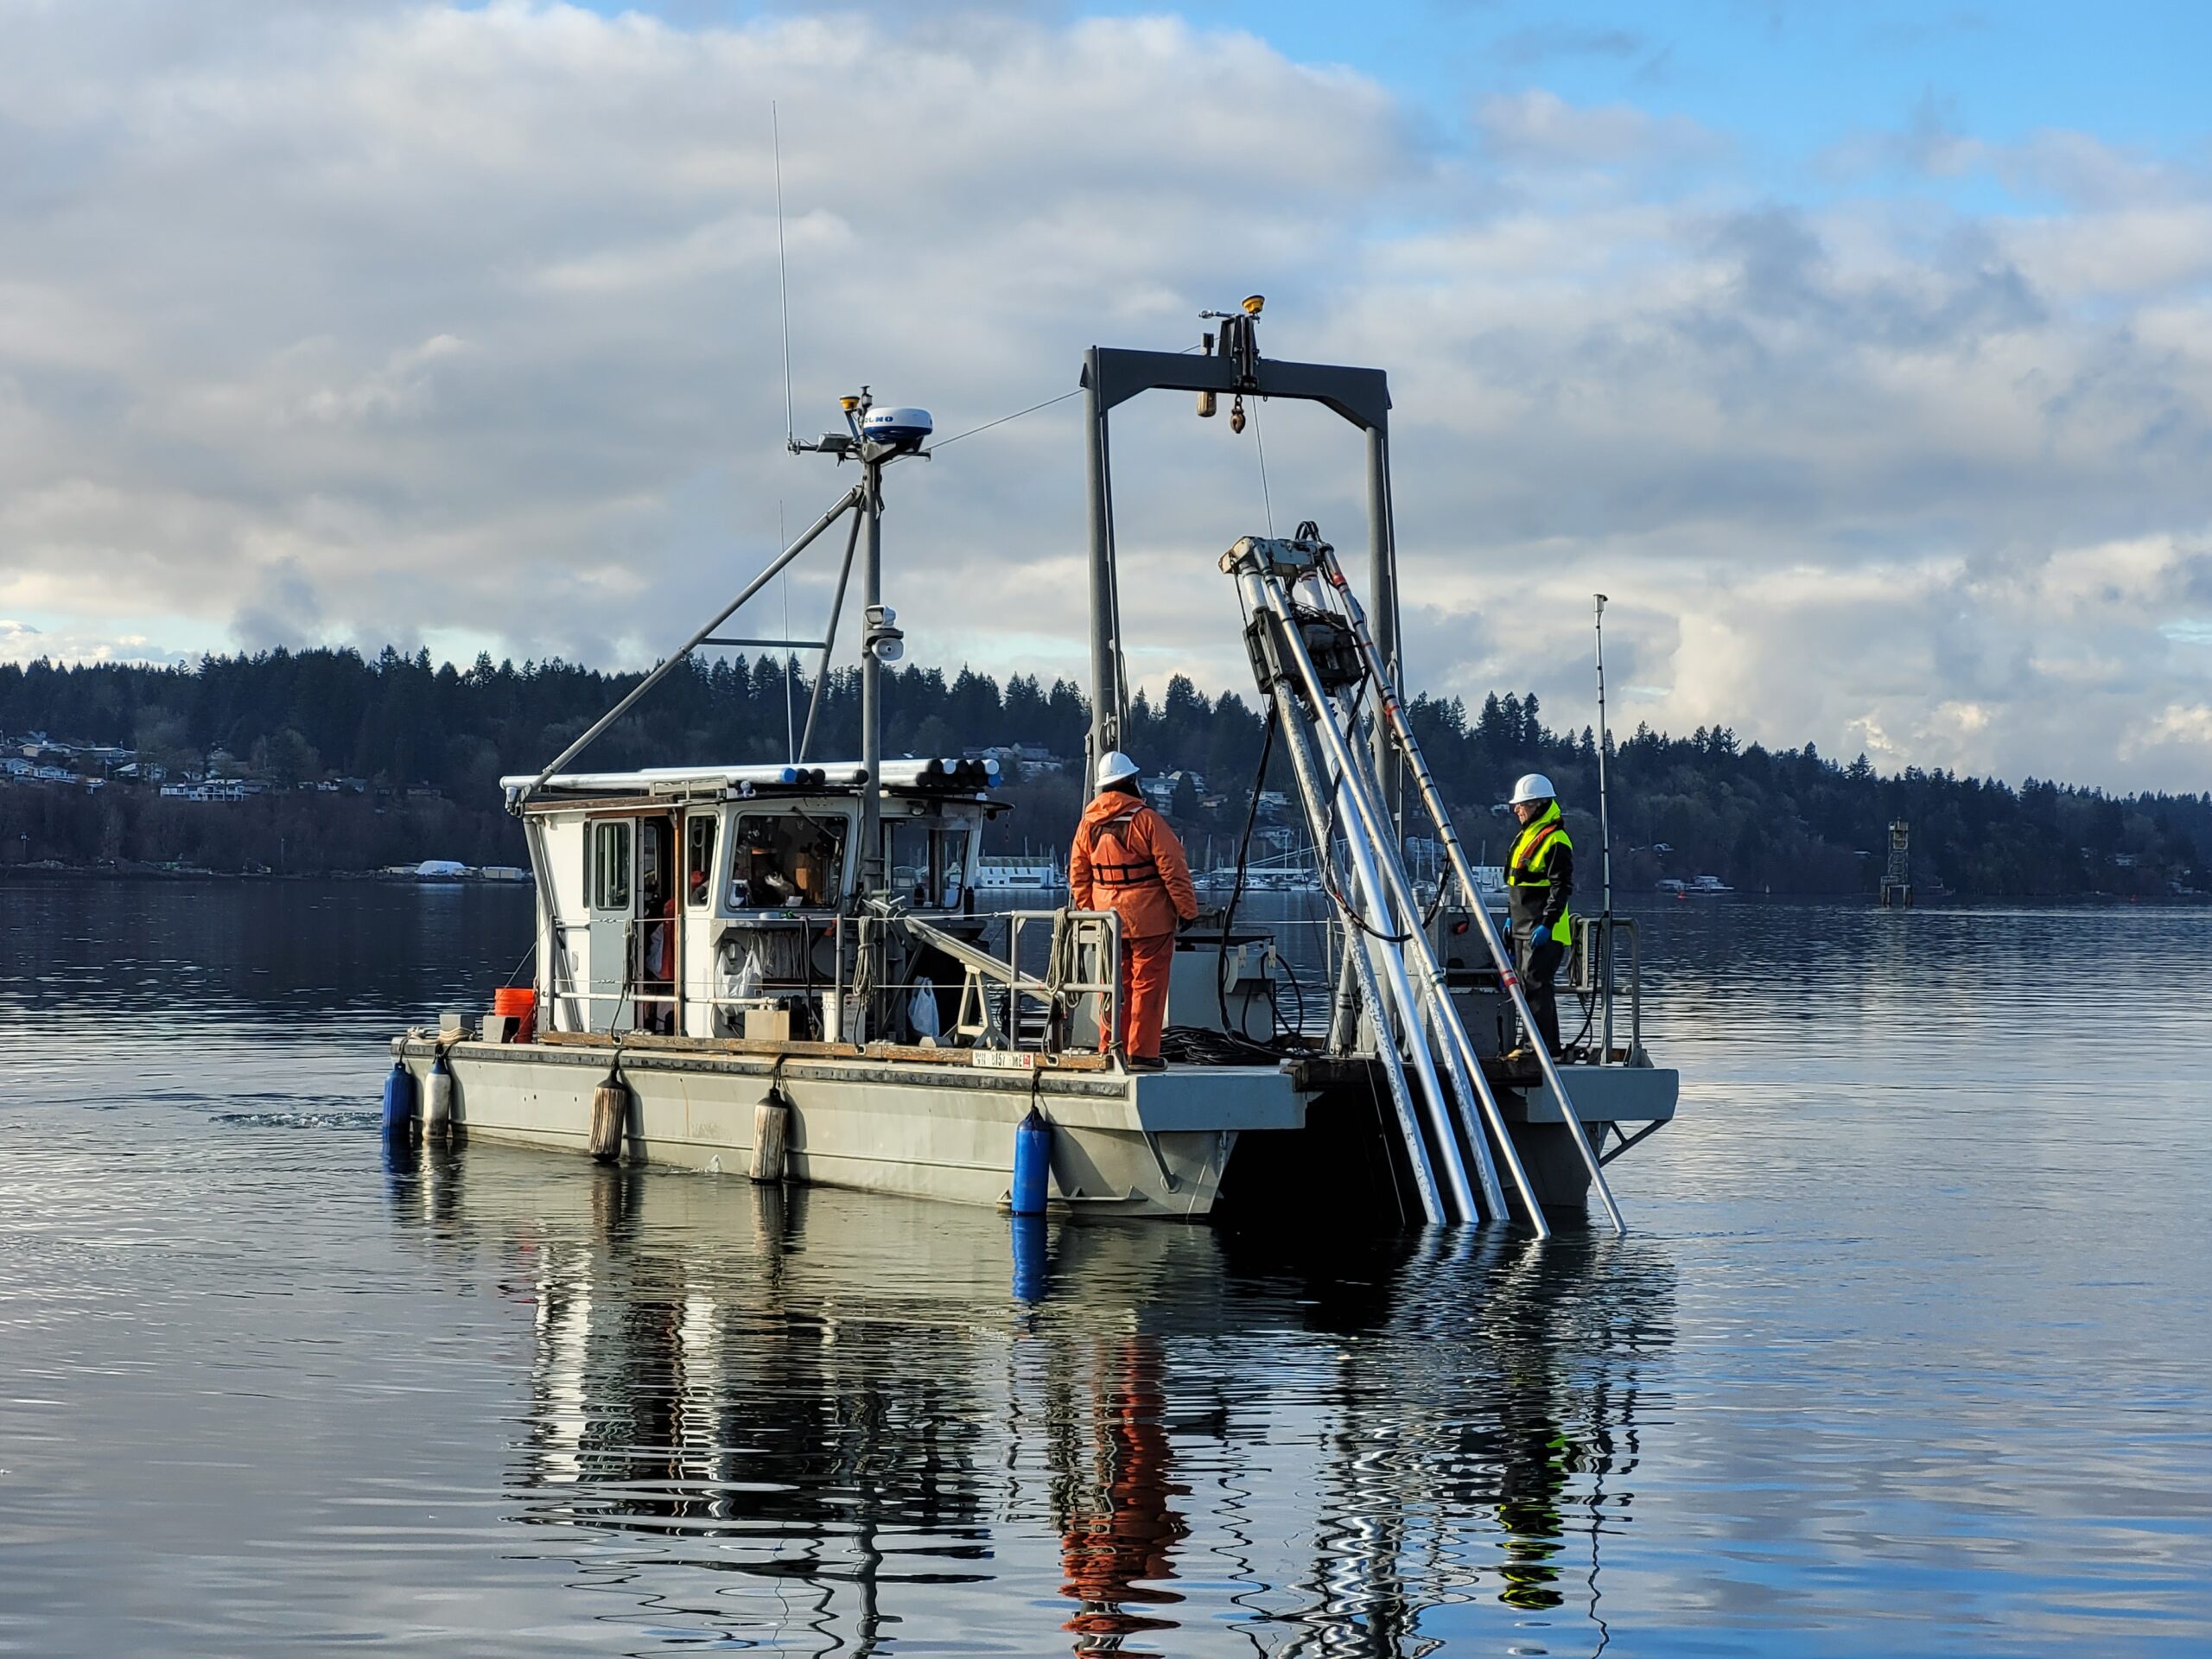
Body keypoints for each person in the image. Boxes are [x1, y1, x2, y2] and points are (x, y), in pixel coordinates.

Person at [1069, 751, 1198, 1071]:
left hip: (1107, 920)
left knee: (1111, 988)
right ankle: (1142, 1054)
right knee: (1147, 987)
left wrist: (1090, 911)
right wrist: (1187, 911)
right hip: (1149, 920)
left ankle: (1109, 1050)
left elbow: (1078, 874)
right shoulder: (1147, 820)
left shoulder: (1087, 824)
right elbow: (1174, 869)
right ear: (1131, 782)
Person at [1503, 772, 1573, 1062]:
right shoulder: (1526, 836)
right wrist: (1511, 918)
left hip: (1545, 929)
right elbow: (1517, 883)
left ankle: (1547, 1048)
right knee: (1526, 985)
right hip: (1523, 925)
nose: (1517, 810)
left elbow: (1562, 887)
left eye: (1522, 805)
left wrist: (1547, 924)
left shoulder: (1556, 840)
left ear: (1539, 805)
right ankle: (1531, 1043)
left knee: (1536, 983)